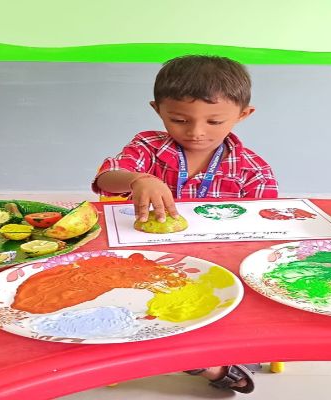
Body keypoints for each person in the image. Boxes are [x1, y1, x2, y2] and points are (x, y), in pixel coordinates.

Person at [92, 55, 278, 393]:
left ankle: (202, 355)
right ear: (157, 110)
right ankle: (198, 359)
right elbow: (107, 177)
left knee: (236, 296)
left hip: (216, 264)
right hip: (147, 263)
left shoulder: (253, 170)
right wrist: (138, 179)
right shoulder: (147, 147)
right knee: (122, 298)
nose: (196, 132)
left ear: (243, 114)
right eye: (178, 119)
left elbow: (260, 234)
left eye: (214, 121)